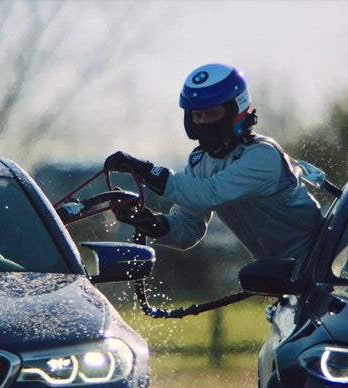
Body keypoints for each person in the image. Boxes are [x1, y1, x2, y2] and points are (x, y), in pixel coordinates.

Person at [104, 63, 323, 265]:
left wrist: (146, 171)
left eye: (212, 114)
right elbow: (188, 227)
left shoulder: (262, 156)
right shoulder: (200, 162)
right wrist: (148, 221)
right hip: (280, 273)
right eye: (197, 115)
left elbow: (208, 194)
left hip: (319, 264)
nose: (204, 122)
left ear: (235, 110)